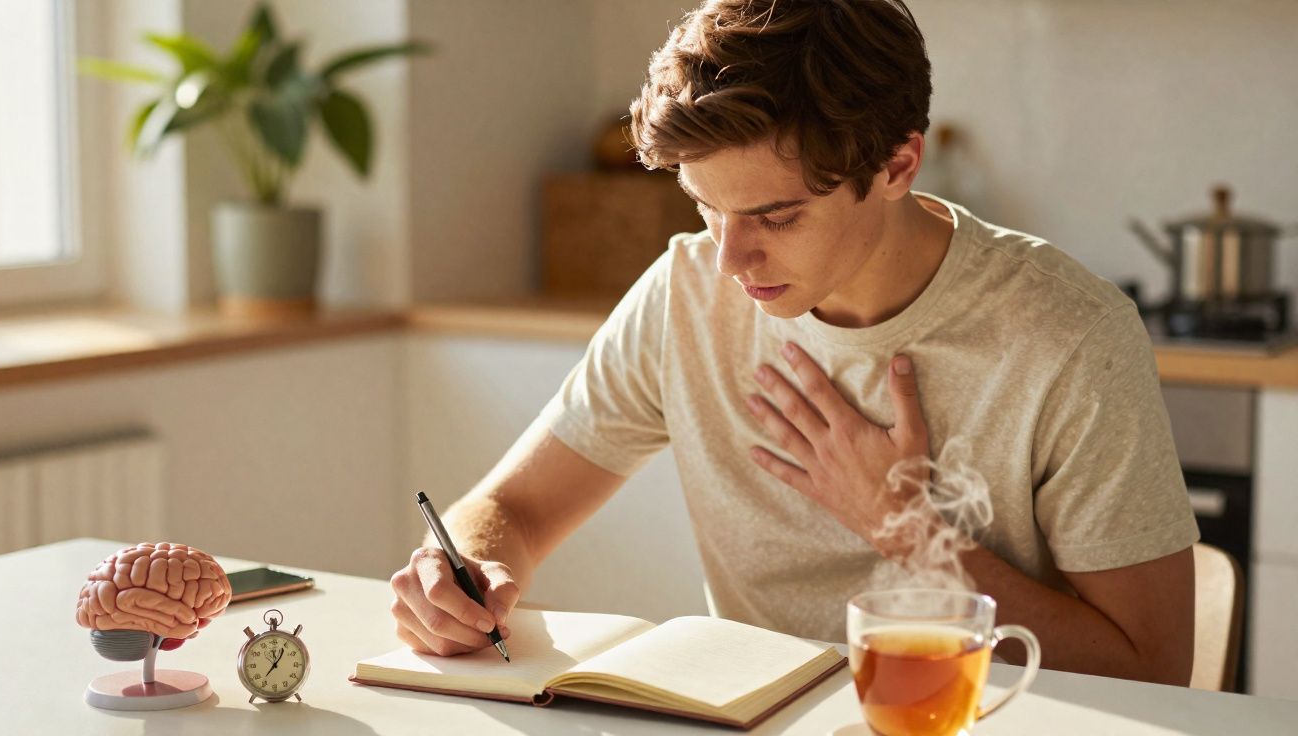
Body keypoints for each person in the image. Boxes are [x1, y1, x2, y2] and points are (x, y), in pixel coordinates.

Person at [390, 0, 1199, 685]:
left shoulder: (1069, 336)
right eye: (705, 209)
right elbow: (515, 510)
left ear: (898, 163)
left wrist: (907, 529)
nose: (730, 260)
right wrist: (464, 570)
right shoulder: (685, 294)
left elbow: (1154, 672)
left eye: (776, 218)